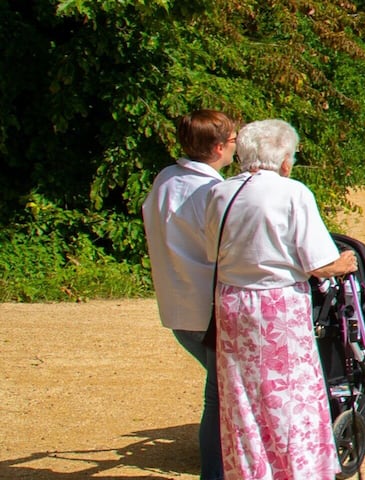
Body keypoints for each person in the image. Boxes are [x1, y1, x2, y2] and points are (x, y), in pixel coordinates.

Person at [201, 119, 357, 479]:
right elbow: (318, 263)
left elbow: (213, 252)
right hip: (276, 305)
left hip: (231, 302)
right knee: (289, 396)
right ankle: (298, 470)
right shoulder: (292, 193)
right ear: (285, 160)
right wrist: (343, 263)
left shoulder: (221, 193)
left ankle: (252, 471)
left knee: (242, 397)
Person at [140, 109, 236, 480]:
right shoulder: (213, 192)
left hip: (176, 306)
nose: (236, 147)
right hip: (208, 309)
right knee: (220, 397)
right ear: (218, 148)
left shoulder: (165, 179)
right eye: (233, 141)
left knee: (223, 391)